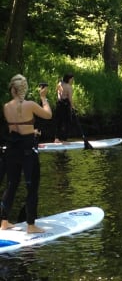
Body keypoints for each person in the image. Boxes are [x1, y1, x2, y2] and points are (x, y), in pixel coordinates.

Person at [1, 74, 52, 233]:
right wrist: (43, 98)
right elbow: (48, 115)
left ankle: (4, 222)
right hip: (28, 151)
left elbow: (15, 128)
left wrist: (31, 130)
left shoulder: (6, 106)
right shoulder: (30, 104)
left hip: (12, 150)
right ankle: (30, 225)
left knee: (11, 185)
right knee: (32, 186)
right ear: (24, 89)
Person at [54, 73, 74, 143]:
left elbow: (57, 92)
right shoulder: (69, 87)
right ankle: (64, 140)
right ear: (69, 79)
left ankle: (56, 139)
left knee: (58, 122)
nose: (72, 81)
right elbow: (70, 99)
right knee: (67, 122)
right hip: (65, 105)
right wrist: (72, 107)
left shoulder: (59, 84)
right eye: (72, 79)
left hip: (59, 104)